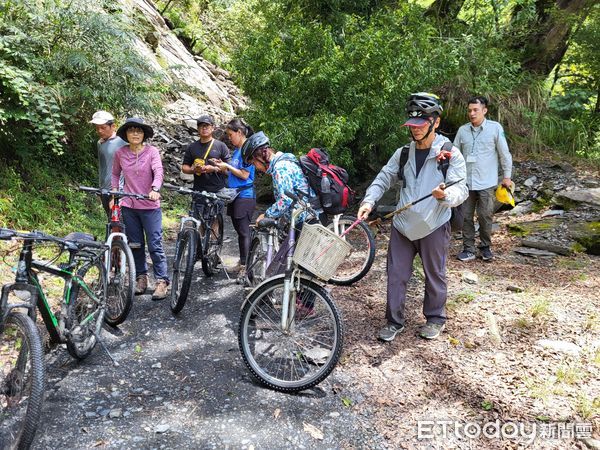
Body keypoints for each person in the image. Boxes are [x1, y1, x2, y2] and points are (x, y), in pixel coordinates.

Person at [357, 93, 468, 341]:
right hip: (403, 225)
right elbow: (384, 177)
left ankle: (435, 318)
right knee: (396, 275)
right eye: (412, 126)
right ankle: (394, 321)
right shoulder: (403, 153)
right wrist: (368, 201)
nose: (415, 131)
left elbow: (461, 189)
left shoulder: (450, 153)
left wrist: (445, 195)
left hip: (434, 224)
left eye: (421, 125)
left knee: (434, 274)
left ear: (435, 122)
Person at [112, 117, 169, 300]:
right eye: (131, 130)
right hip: (129, 205)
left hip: (150, 205)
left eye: (139, 131)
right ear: (126, 134)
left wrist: (154, 189)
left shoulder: (152, 151)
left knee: (155, 244)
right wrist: (115, 192)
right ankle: (141, 278)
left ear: (144, 134)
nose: (135, 134)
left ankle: (161, 281)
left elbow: (158, 171)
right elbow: (115, 174)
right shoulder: (120, 153)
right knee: (135, 244)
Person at [454, 96, 512, 262]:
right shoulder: (462, 130)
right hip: (465, 182)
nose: (472, 113)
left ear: (484, 111)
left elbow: (504, 153)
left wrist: (507, 176)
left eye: (475, 110)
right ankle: (468, 248)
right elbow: (454, 154)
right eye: (469, 110)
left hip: (486, 182)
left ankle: (485, 247)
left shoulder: (495, 128)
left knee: (485, 215)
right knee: (465, 216)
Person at [241, 131, 313, 225]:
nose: (256, 168)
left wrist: (266, 215)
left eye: (254, 163)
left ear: (261, 156)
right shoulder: (285, 160)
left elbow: (285, 200)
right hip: (305, 215)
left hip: (306, 219)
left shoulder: (280, 168)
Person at [213, 119, 256, 274]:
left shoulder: (247, 150)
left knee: (244, 231)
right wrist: (222, 167)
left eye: (230, 134)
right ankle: (242, 262)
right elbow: (234, 172)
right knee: (239, 231)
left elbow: (244, 175)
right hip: (235, 195)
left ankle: (246, 267)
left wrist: (227, 166)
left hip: (245, 195)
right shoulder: (238, 150)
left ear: (239, 132)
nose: (229, 138)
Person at [89, 111, 126, 217]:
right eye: (97, 128)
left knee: (118, 223)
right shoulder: (100, 143)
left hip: (118, 192)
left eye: (103, 127)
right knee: (111, 222)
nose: (99, 131)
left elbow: (125, 170)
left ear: (113, 126)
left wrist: (117, 195)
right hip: (104, 190)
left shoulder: (122, 142)